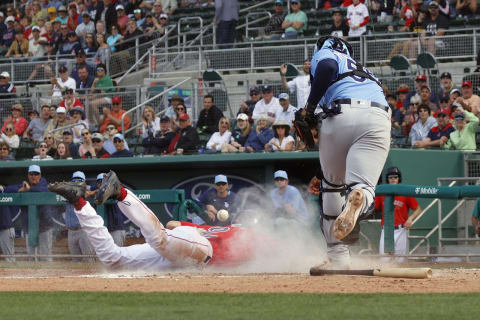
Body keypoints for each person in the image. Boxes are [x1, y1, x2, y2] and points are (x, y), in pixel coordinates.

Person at [304, 36, 390, 270]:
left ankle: (338, 258)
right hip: (377, 118)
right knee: (363, 186)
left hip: (338, 116)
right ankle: (358, 199)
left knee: (331, 186)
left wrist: (309, 107)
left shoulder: (326, 54)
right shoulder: (365, 71)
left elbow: (327, 66)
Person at [48, 171, 217, 270]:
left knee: (112, 259)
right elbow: (172, 226)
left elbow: (173, 224)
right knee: (160, 240)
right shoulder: (239, 236)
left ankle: (78, 202)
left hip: (178, 258)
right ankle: (120, 192)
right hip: (204, 246)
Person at [2, 165, 54, 261]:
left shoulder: (43, 184)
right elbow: (9, 189)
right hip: (29, 228)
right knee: (31, 258)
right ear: (28, 175)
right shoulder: (25, 185)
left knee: (45, 257)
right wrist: (11, 189)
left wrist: (29, 190)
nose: (33, 176)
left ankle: (48, 275)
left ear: (40, 175)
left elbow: (42, 190)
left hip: (44, 228)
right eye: (31, 174)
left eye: (36, 174)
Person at [375, 167, 422, 260]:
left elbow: (418, 209)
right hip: (386, 230)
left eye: (395, 177)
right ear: (387, 179)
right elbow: (374, 208)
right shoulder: (382, 193)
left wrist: (410, 219)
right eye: (390, 177)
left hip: (401, 230)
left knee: (400, 260)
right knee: (384, 259)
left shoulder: (405, 192)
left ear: (399, 178)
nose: (393, 179)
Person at [65, 171, 95, 261]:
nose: (77, 182)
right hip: (71, 231)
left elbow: (100, 188)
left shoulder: (88, 192)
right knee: (76, 260)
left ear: (84, 182)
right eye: (75, 180)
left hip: (84, 230)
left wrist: (87, 188)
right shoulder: (67, 192)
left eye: (80, 180)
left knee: (88, 259)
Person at [0, 182, 15, 261]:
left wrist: (3, 188)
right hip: (3, 229)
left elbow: (17, 188)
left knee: (10, 259)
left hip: (5, 229)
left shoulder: (2, 190)